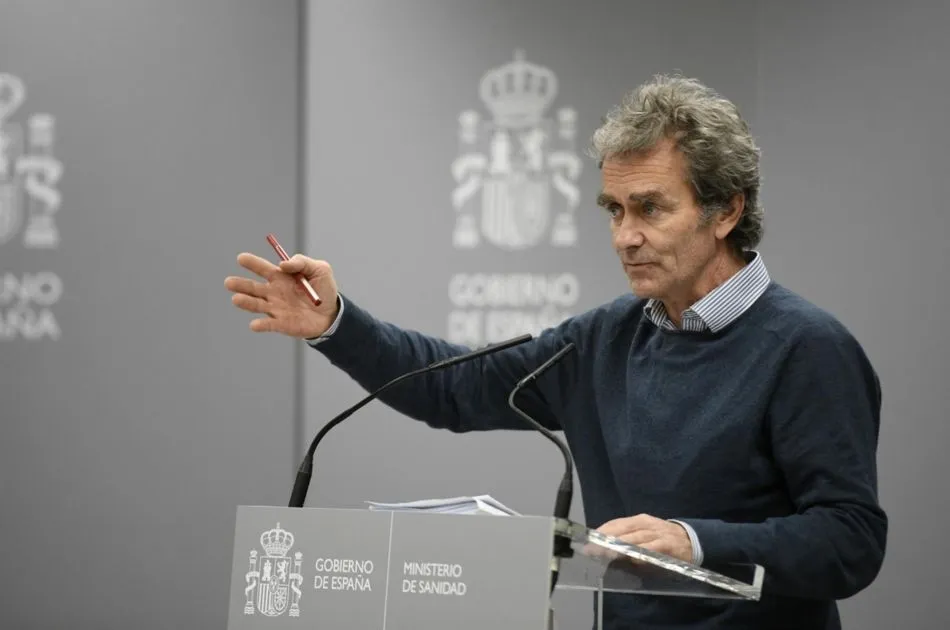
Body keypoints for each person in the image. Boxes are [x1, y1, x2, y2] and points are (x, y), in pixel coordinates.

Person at [225, 75, 887, 629]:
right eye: (614, 210)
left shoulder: (807, 348)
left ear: (726, 211)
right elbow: (453, 388)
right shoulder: (603, 339)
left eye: (650, 209)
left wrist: (695, 541)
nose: (625, 236)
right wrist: (335, 324)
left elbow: (851, 539)